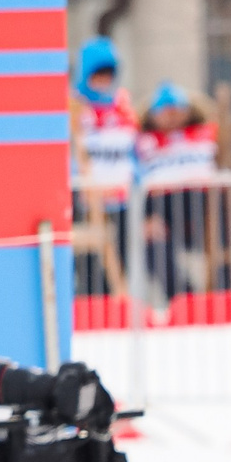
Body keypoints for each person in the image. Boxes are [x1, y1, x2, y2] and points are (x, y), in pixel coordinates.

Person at [137, 82, 218, 305]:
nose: (171, 118)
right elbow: (132, 180)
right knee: (154, 249)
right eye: (165, 112)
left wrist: (225, 206)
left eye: (176, 111)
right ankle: (186, 302)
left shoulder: (209, 135)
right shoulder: (141, 142)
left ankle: (221, 302)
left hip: (206, 215)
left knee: (228, 246)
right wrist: (145, 217)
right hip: (164, 220)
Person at [73, 37, 137, 298]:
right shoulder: (75, 108)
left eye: (107, 74)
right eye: (97, 74)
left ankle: (115, 312)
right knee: (89, 268)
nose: (103, 81)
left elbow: (133, 147)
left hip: (119, 199)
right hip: (86, 200)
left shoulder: (122, 107)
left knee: (119, 265)